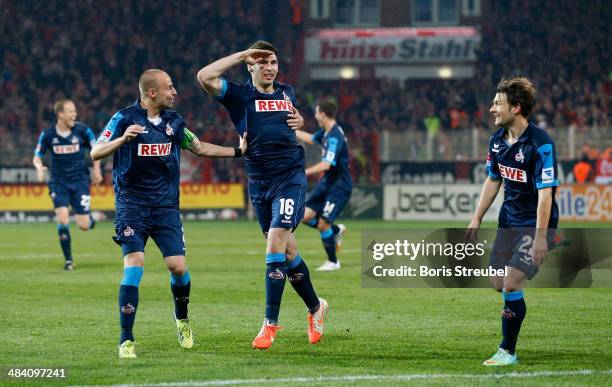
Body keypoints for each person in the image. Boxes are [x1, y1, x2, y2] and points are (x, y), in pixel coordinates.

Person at [91, 69, 247, 359]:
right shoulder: (123, 118)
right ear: (152, 93)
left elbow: (198, 147)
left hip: (166, 209)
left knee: (177, 267)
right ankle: (126, 339)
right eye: (169, 88)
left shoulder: (175, 122)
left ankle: (182, 319)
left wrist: (238, 152)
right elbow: (96, 152)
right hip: (131, 207)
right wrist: (123, 140)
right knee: (134, 264)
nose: (175, 92)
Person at [197, 40, 329, 350]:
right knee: (287, 253)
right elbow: (204, 76)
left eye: (273, 62)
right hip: (259, 182)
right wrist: (242, 53)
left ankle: (270, 324)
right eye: (262, 62)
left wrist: (299, 123)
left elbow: (286, 125)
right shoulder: (240, 96)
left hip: (290, 177)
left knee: (275, 242)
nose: (270, 67)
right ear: (251, 66)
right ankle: (316, 307)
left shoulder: (287, 93)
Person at [466, 77, 560, 366]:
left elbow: (546, 196)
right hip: (508, 221)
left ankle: (507, 351)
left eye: (498, 103)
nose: (492, 109)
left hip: (534, 224)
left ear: (516, 108)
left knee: (510, 284)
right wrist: (477, 217)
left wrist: (542, 236)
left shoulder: (540, 145)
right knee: (498, 283)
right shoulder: (496, 142)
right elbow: (493, 180)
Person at [33, 99, 102, 271]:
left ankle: (90, 219)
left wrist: (97, 170)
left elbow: (97, 151)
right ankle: (69, 260)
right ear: (60, 114)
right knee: (63, 218)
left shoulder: (83, 131)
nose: (74, 114)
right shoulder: (48, 135)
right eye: (71, 111)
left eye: (74, 111)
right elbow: (37, 155)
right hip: (58, 182)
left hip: (80, 181)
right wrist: (39, 167)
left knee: (84, 225)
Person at [294, 99, 352, 271]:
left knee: (322, 225)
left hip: (339, 186)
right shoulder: (327, 132)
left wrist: (303, 172)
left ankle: (333, 262)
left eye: (317, 112)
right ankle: (336, 231)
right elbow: (311, 139)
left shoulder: (335, 137)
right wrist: (291, 130)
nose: (315, 115)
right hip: (327, 182)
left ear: (323, 114)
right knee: (303, 217)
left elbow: (327, 164)